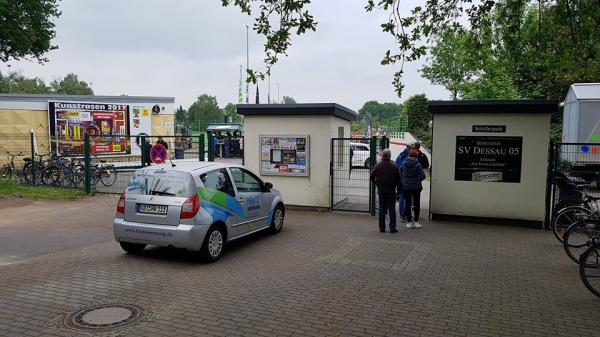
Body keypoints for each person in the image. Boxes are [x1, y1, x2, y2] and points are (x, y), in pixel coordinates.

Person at [370, 149, 402, 233]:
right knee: (391, 208)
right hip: (391, 189)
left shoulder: (378, 165)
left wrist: (376, 183)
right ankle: (392, 227)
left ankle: (382, 228)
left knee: (382, 208)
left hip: (381, 189)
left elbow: (371, 175)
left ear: (382, 156)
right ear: (390, 156)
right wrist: (399, 192)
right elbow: (399, 180)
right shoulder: (394, 166)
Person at [401, 149, 426, 229]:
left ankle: (409, 222)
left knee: (408, 203)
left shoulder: (404, 163)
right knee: (416, 204)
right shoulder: (418, 164)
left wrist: (404, 179)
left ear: (409, 155)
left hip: (406, 186)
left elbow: (400, 171)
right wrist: (417, 181)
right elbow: (423, 175)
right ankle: (416, 222)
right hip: (416, 187)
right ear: (416, 156)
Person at [395, 145, 411, 222]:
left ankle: (401, 214)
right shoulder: (409, 158)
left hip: (400, 180)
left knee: (402, 197)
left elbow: (398, 167)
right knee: (407, 199)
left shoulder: (400, 155)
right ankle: (404, 215)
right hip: (408, 182)